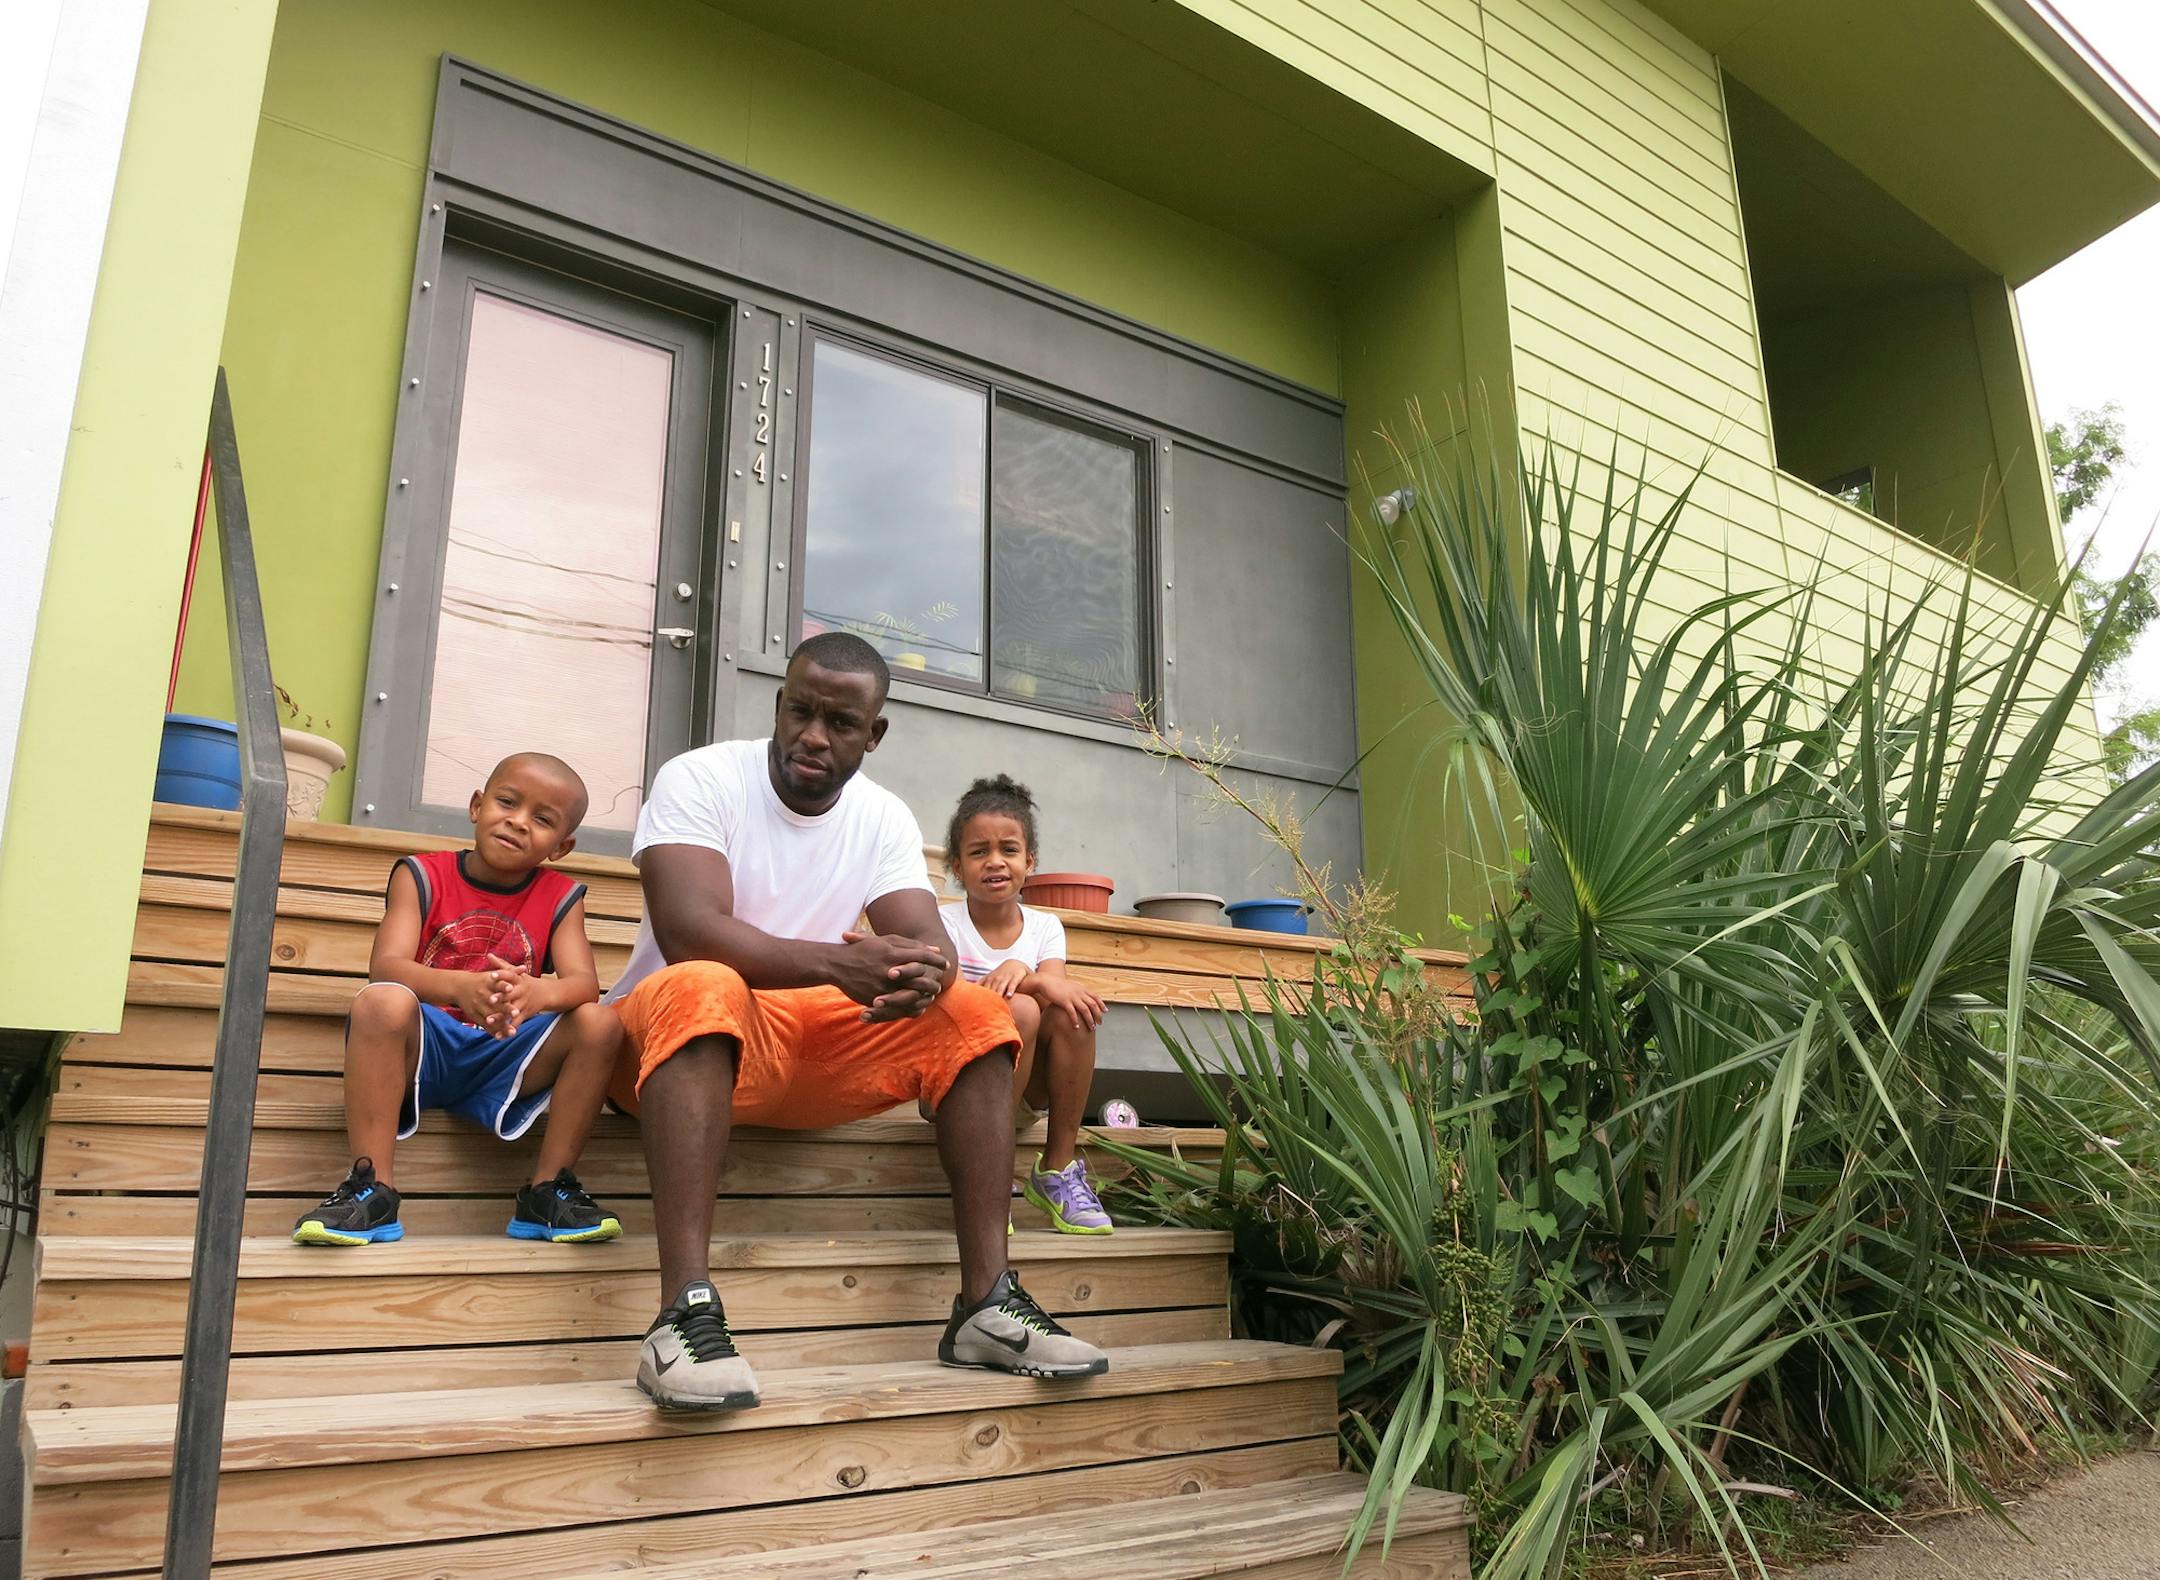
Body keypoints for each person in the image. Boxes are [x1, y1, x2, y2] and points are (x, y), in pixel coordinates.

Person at [608, 632, 1110, 1413]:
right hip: (668, 1049)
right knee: (704, 980)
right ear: (779, 704)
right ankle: (684, 1314)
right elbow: (689, 931)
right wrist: (838, 966)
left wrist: (926, 974)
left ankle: (986, 1305)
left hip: (809, 1053)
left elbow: (933, 947)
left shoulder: (881, 816)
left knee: (977, 1011)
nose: (813, 735)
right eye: (799, 712)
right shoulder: (701, 777)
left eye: (840, 723)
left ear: (873, 733)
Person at [292, 752, 625, 1247]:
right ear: (476, 806)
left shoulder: (560, 896)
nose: (518, 821)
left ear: (562, 846)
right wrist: (458, 988)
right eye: (507, 802)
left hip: (505, 1051)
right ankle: (372, 1188)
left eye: (542, 819)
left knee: (600, 1022)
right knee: (381, 1002)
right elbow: (386, 966)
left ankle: (548, 1190)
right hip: (425, 1049)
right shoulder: (421, 875)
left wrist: (538, 992)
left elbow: (583, 984)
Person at [940, 775, 1112, 1235]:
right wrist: (1022, 985)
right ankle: (989, 1176)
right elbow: (948, 1005)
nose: (995, 862)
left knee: (1071, 1015)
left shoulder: (1044, 927)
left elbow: (1058, 992)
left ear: (1029, 861)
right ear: (957, 866)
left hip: (1022, 1089)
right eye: (979, 851)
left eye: (1009, 850)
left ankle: (1056, 1169)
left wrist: (1023, 971)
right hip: (954, 1085)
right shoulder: (944, 923)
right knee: (1020, 1010)